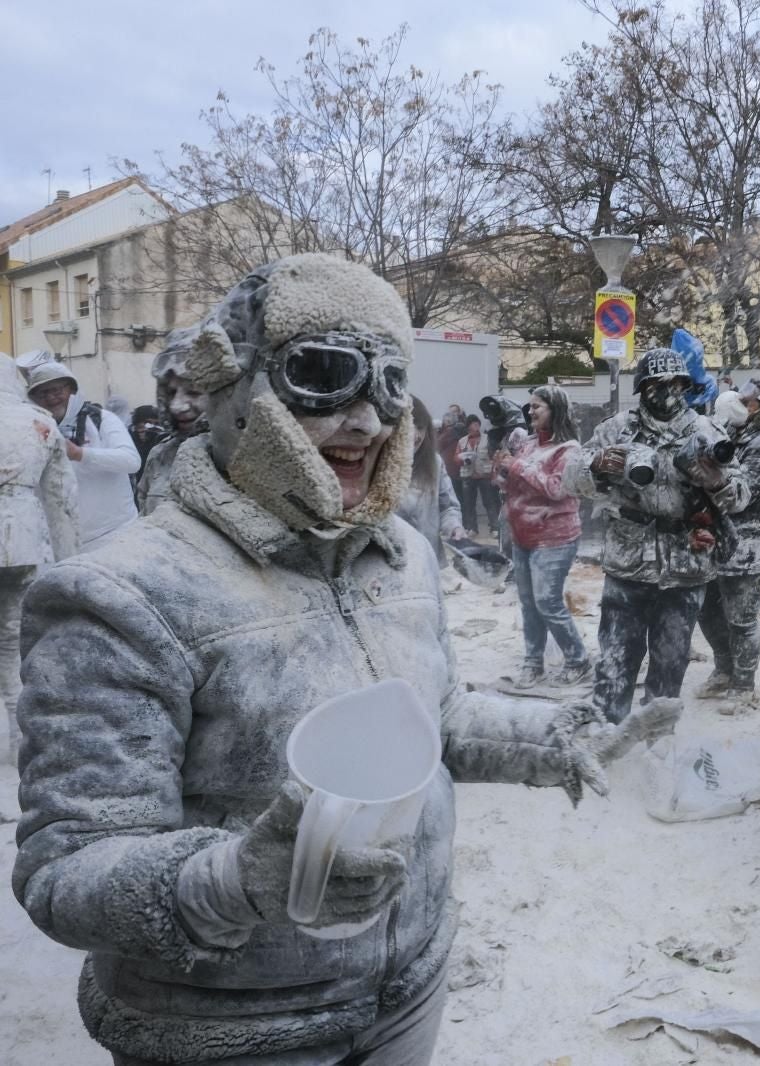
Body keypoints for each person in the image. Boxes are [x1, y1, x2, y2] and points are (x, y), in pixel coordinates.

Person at [11, 253, 674, 1066]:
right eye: (324, 375)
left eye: (392, 383)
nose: (366, 421)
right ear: (235, 391)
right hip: (230, 1033)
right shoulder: (120, 594)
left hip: (407, 991)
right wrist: (235, 882)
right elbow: (66, 871)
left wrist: (558, 742)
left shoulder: (399, 555)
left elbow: (436, 720)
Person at [566, 346, 751, 723]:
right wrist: (598, 466)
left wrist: (718, 483)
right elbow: (570, 478)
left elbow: (742, 494)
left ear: (685, 385)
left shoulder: (706, 430)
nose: (666, 391)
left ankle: (655, 745)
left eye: (675, 383)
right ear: (643, 386)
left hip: (685, 567)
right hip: (628, 564)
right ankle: (608, 736)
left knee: (670, 665)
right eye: (656, 383)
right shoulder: (616, 428)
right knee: (616, 662)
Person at [0, 353, 78, 764]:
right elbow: (61, 500)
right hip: (26, 541)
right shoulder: (41, 423)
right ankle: (19, 748)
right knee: (14, 647)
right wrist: (68, 562)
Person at [697, 379, 760, 710]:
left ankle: (743, 683)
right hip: (717, 540)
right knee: (707, 611)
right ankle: (723, 668)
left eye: (746, 401)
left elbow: (739, 496)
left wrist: (707, 472)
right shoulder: (737, 435)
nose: (737, 403)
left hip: (749, 543)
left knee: (741, 619)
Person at [501, 385, 592, 692]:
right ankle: (533, 663)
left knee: (547, 602)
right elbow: (511, 483)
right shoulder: (527, 446)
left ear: (556, 410)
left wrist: (517, 466)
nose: (531, 411)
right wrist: (503, 469)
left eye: (538, 406)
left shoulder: (569, 450)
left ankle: (578, 660)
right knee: (528, 604)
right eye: (530, 406)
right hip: (522, 535)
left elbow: (557, 489)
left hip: (555, 538)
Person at [26, 358, 140, 551]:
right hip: (62, 544)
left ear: (71, 390)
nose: (51, 398)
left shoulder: (102, 419)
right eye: (43, 393)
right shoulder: (31, 430)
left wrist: (80, 454)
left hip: (116, 536)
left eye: (57, 390)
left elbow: (131, 461)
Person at [135, 326, 210, 515]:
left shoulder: (244, 462)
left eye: (193, 392)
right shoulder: (160, 454)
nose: (176, 406)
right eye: (171, 392)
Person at [397, 396, 468, 562]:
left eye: (420, 427)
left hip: (427, 558)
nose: (415, 435)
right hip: (389, 561)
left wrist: (454, 527)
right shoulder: (376, 464)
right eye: (407, 426)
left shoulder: (434, 463)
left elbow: (447, 507)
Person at [456, 415, 500, 535]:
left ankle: (495, 528)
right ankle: (472, 528)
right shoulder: (462, 441)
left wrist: (494, 474)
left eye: (478, 424)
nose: (476, 427)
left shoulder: (487, 439)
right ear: (468, 426)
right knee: (469, 504)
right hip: (468, 476)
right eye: (474, 424)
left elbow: (494, 456)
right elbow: (456, 458)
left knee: (489, 502)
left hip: (484, 476)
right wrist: (464, 459)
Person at [438, 403, 468, 509]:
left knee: (457, 496)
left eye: (454, 411)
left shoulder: (454, 431)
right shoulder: (445, 431)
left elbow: (439, 446)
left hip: (453, 468)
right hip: (454, 468)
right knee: (459, 496)